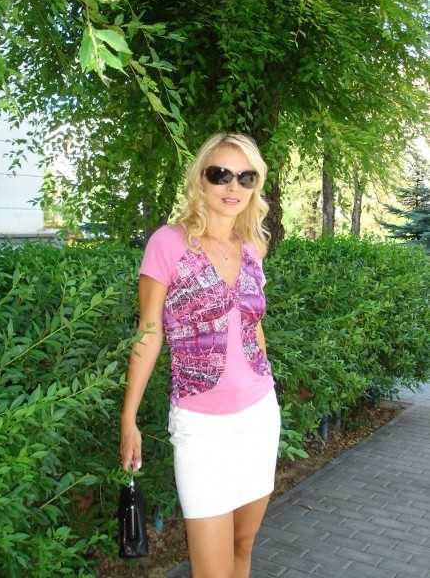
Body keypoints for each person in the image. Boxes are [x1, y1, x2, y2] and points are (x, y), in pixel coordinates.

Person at [120, 132, 282, 578]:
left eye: (246, 177)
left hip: (259, 417)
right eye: (221, 174)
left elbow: (254, 326)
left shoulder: (251, 247)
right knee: (211, 569)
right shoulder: (168, 243)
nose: (233, 187)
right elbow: (149, 333)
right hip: (201, 427)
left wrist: (265, 380)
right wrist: (128, 418)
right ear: (200, 179)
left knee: (242, 548)